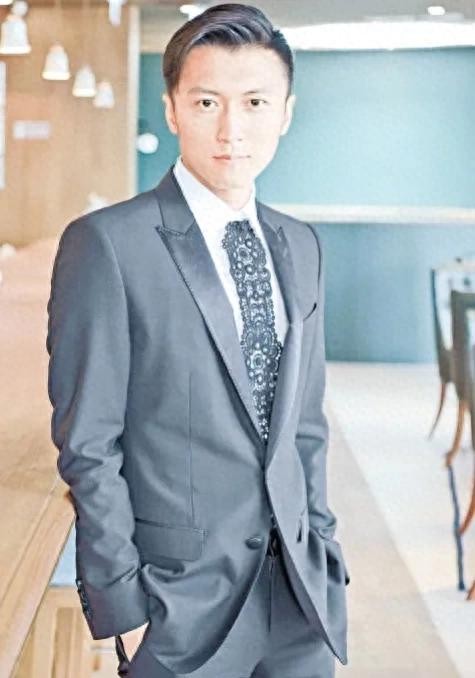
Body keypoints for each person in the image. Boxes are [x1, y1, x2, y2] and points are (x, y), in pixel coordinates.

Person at [46, 4, 350, 677]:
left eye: (254, 103)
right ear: (173, 109)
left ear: (285, 113)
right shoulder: (108, 245)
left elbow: (304, 425)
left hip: (299, 599)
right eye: (207, 101)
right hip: (176, 606)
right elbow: (88, 442)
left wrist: (323, 549)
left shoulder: (300, 244)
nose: (231, 129)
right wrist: (123, 606)